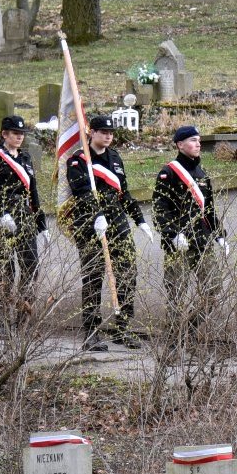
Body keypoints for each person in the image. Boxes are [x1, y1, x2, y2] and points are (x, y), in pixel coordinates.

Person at [65, 114, 146, 351]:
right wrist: (96, 215)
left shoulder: (115, 158)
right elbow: (80, 192)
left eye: (111, 132)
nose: (108, 136)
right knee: (93, 277)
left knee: (128, 272)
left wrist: (139, 219)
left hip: (118, 223)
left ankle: (122, 327)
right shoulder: (79, 160)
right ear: (92, 133)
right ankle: (91, 331)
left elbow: (123, 192)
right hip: (90, 225)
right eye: (103, 132)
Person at [0, 116, 47, 332]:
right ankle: (2, 320)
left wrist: (41, 223)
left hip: (24, 218)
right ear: (4, 134)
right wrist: (1, 214)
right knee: (5, 271)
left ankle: (22, 318)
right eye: (14, 133)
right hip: (2, 222)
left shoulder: (25, 158)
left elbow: (32, 191)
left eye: (21, 133)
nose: (19, 137)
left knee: (30, 266)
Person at [152, 125, 227, 323]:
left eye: (199, 140)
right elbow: (159, 209)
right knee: (176, 294)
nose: (198, 143)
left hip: (201, 241)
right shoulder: (169, 172)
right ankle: (174, 341)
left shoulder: (202, 173)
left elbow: (209, 209)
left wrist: (219, 235)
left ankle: (191, 328)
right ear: (180, 144)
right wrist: (173, 234)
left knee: (214, 289)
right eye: (193, 140)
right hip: (179, 244)